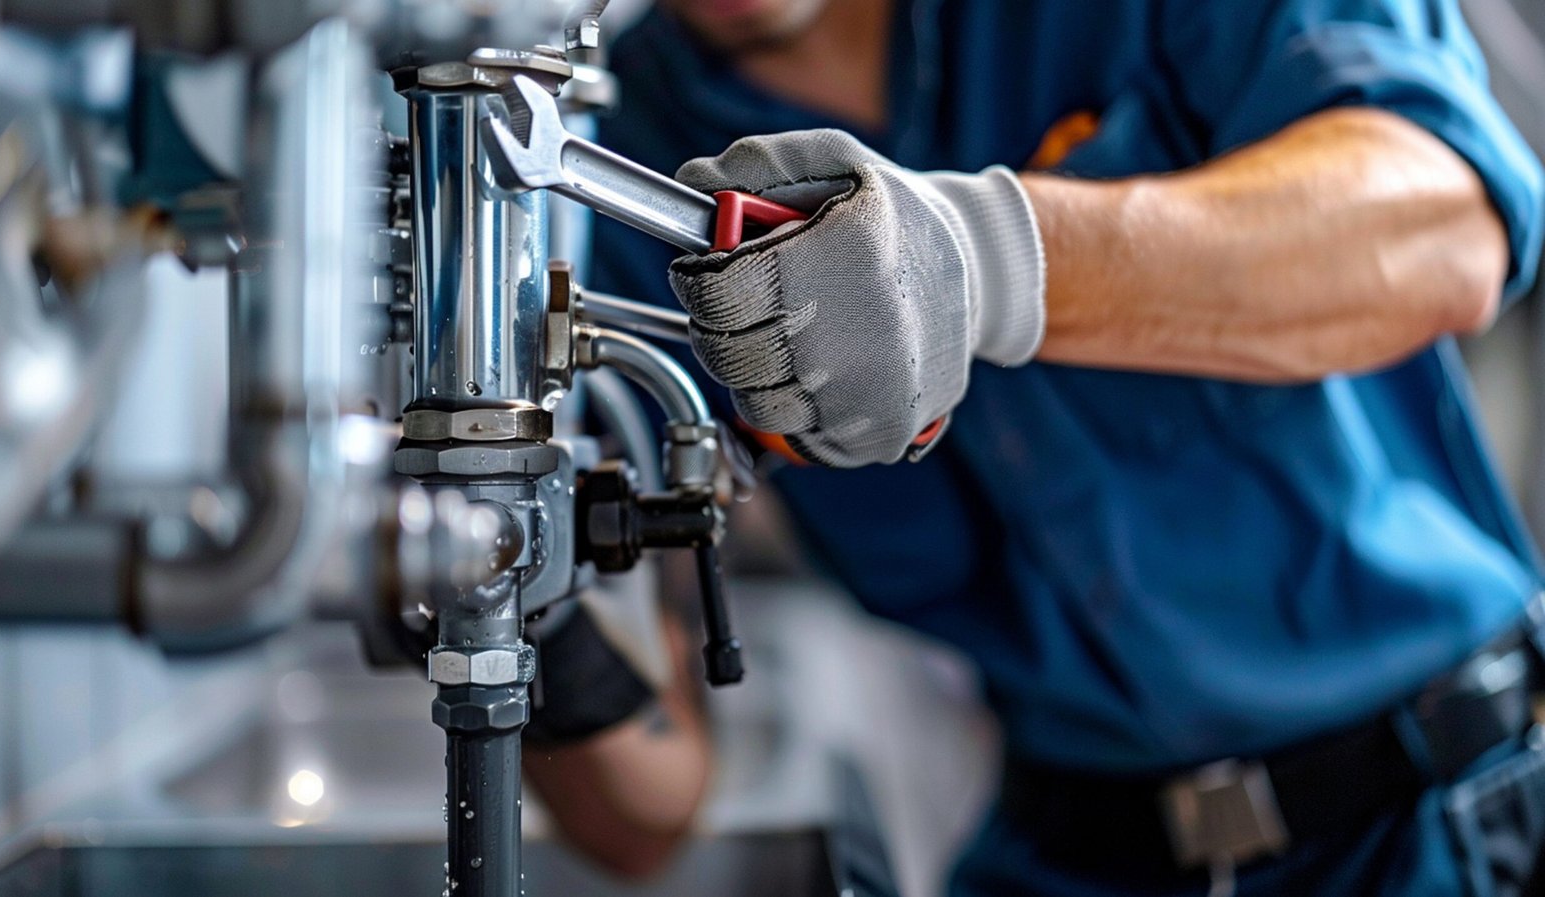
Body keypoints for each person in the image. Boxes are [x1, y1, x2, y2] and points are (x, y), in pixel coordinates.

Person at [542, 0, 1545, 894]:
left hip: (1439, 819)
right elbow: (650, 813)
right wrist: (524, 607)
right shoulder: (619, 168)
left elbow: (1449, 228)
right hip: (1065, 851)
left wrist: (980, 255)